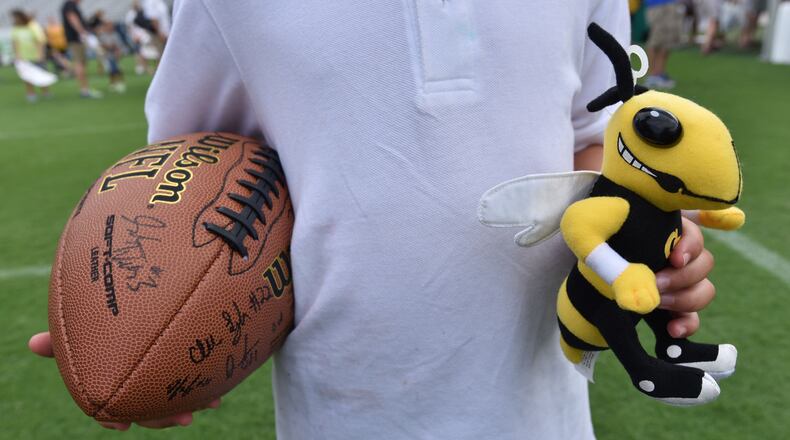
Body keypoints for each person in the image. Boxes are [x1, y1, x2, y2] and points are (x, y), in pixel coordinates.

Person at [30, 1, 723, 437]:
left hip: (543, 404)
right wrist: (138, 324)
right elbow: (184, 179)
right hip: (345, 407)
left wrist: (649, 243)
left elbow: (594, 134)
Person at [60, 0, 101, 98]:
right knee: (80, 63)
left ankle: (84, 89)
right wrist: (82, 32)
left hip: (76, 38)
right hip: (76, 39)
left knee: (81, 63)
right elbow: (73, 18)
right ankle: (84, 90)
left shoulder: (70, 5)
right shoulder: (70, 4)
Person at [10, 9, 49, 102]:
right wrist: (17, 55)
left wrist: (40, 54)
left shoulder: (33, 26)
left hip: (36, 55)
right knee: (27, 76)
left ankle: (45, 92)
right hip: (24, 57)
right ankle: (31, 93)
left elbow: (40, 41)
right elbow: (15, 42)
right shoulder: (16, 28)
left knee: (41, 74)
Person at [644, 0, 685, 89]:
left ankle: (659, 73)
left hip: (669, 4)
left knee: (667, 41)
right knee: (655, 41)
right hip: (657, 5)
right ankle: (652, 76)